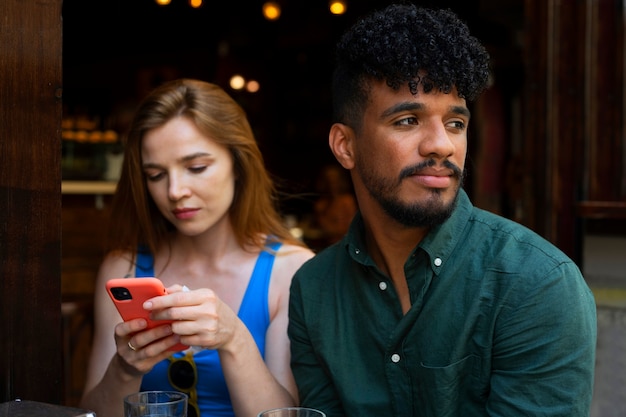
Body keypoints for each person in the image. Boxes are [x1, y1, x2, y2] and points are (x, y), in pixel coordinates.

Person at [288, 4, 597, 417]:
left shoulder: (536, 283)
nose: (442, 145)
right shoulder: (314, 290)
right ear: (345, 145)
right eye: (407, 120)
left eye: (455, 123)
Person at [80, 78, 314, 417]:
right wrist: (126, 369)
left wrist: (234, 338)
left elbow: (284, 415)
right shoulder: (124, 267)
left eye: (196, 168)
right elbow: (92, 414)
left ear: (238, 163)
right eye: (156, 175)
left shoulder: (290, 270)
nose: (175, 191)